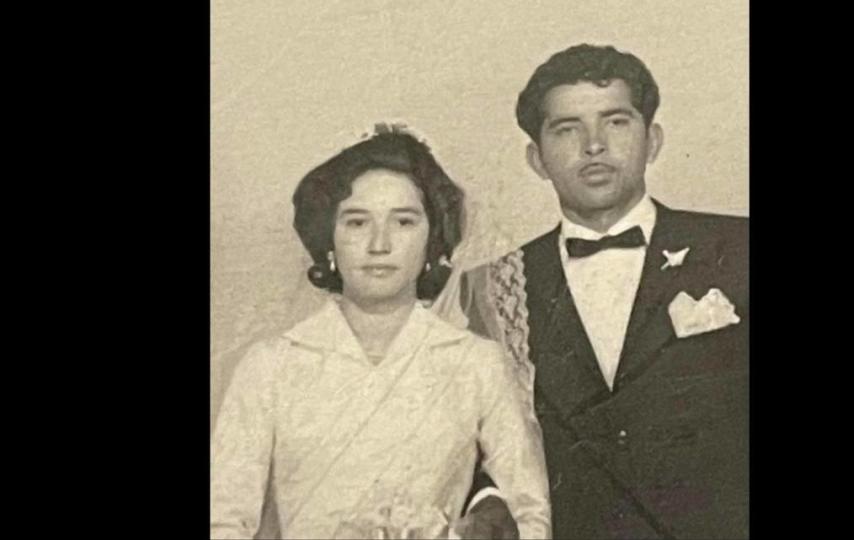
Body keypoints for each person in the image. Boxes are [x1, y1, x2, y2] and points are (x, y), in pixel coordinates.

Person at [459, 44, 749, 539]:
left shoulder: (737, 248)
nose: (593, 145)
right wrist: (489, 502)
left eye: (616, 122)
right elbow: (467, 440)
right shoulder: (488, 288)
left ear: (653, 140)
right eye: (566, 129)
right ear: (536, 158)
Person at [210, 124, 552, 539]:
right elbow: (223, 520)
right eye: (356, 223)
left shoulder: (475, 363)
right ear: (328, 241)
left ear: (432, 240)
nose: (379, 244)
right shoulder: (270, 365)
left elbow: (530, 512)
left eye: (404, 222)